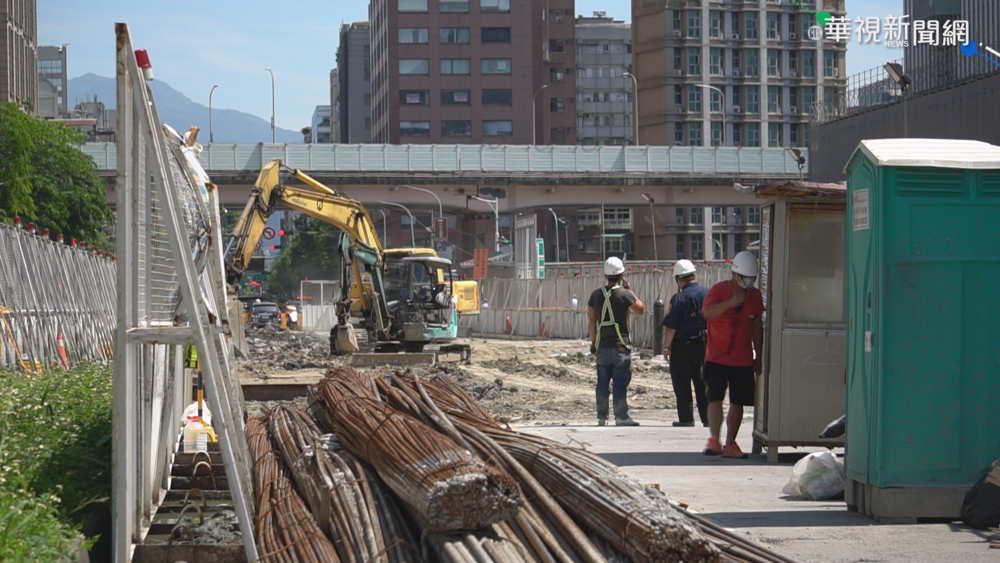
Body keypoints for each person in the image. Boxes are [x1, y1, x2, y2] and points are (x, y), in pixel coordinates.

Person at [700, 251, 764, 459]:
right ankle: (714, 440)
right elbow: (707, 313)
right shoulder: (718, 291)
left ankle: (730, 443)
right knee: (715, 398)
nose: (749, 282)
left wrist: (759, 355)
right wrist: (730, 303)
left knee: (739, 401)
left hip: (742, 359)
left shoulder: (754, 296)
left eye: (752, 279)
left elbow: (756, 325)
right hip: (717, 357)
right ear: (736, 274)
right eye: (746, 278)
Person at [588, 256, 645, 427]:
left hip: (602, 346)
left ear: (605, 275)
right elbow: (641, 310)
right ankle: (621, 416)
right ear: (621, 275)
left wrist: (594, 343)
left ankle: (602, 417)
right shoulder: (625, 294)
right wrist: (631, 290)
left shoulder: (595, 295)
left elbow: (592, 321)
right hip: (620, 347)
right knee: (620, 382)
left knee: (602, 383)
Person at [661, 259, 709, 428]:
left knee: (682, 384)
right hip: (704, 346)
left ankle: (686, 419)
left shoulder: (678, 298)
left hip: (681, 347)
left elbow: (670, 327)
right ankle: (708, 419)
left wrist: (667, 347)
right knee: (703, 383)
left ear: (678, 279)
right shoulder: (708, 294)